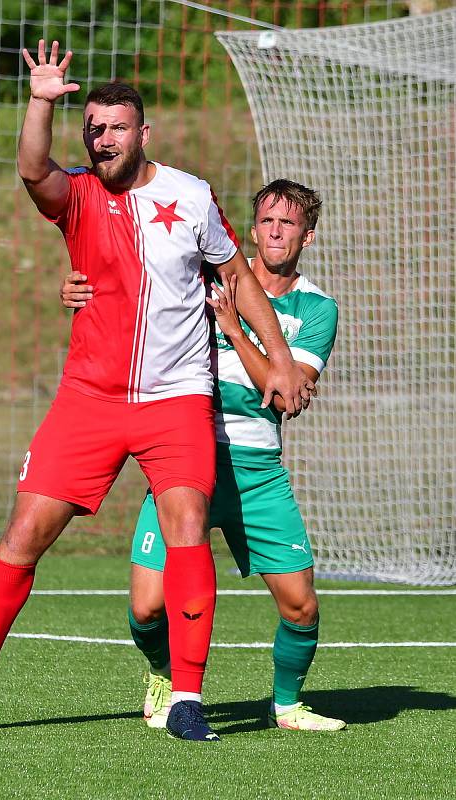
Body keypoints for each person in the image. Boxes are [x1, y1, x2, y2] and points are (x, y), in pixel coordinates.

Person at [0, 40, 314, 742]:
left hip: (176, 398)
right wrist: (40, 100)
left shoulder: (190, 195)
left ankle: (186, 700)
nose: (102, 139)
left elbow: (238, 279)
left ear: (143, 132)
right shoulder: (73, 194)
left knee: (188, 528)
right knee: (23, 534)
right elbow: (30, 168)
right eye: (93, 129)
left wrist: (278, 358)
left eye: (115, 127)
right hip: (89, 398)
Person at [61, 179, 346, 732]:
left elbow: (285, 394)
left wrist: (235, 330)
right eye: (266, 220)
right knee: (146, 609)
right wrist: (80, 289)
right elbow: (132, 297)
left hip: (258, 472)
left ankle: (286, 704)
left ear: (308, 236)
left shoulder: (317, 309)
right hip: (183, 455)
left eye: (288, 224)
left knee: (301, 606)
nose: (275, 232)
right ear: (254, 228)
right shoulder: (205, 280)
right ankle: (164, 673)